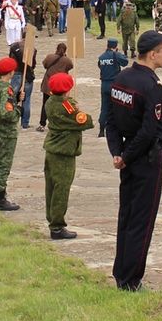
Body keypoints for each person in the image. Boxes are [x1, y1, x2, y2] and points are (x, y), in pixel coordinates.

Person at [107, 28, 162, 291]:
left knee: (126, 215)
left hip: (127, 154)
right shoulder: (151, 85)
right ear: (152, 54)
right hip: (146, 157)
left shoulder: (122, 78)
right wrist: (126, 156)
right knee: (141, 220)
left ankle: (121, 271)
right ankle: (131, 279)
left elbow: (110, 120)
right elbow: (149, 130)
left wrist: (118, 153)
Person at [43, 72, 94, 239]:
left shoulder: (50, 101)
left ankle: (52, 218)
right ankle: (57, 226)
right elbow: (85, 121)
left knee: (51, 186)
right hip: (63, 151)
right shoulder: (66, 105)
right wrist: (77, 110)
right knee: (61, 188)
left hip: (52, 149)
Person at [0, 57, 21, 211]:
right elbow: (6, 113)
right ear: (11, 72)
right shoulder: (6, 89)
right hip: (5, 131)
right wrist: (18, 109)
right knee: (3, 165)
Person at [96, 38, 129, 138]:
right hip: (115, 84)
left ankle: (102, 129)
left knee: (104, 107)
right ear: (115, 46)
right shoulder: (116, 55)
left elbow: (100, 66)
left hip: (104, 84)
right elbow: (125, 62)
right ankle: (119, 128)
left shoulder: (101, 57)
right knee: (119, 106)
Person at [39, 42, 73, 132]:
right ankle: (61, 122)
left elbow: (45, 65)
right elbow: (70, 67)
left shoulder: (50, 57)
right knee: (62, 103)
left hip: (48, 84)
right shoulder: (67, 60)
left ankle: (42, 124)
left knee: (45, 104)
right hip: (60, 85)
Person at [8, 39, 37, 129]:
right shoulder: (32, 49)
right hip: (27, 75)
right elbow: (33, 64)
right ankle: (25, 123)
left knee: (12, 97)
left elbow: (10, 60)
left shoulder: (14, 47)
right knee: (27, 99)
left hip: (16, 74)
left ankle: (12, 120)